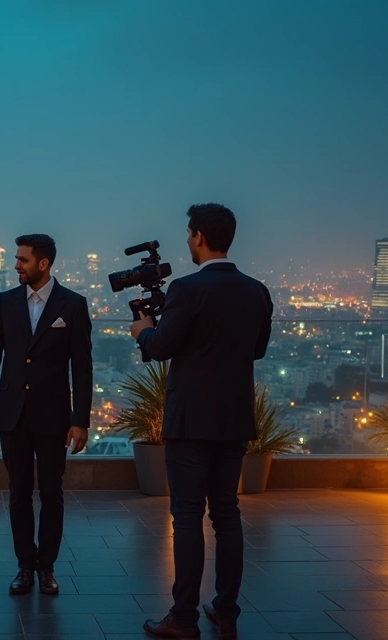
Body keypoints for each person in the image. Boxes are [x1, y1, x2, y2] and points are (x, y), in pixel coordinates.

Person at [130, 204, 273, 639]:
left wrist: (144, 331)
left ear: (197, 237)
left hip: (190, 419)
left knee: (188, 515)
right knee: (226, 513)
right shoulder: (257, 291)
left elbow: (162, 346)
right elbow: (258, 350)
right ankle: (225, 609)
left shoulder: (187, 289)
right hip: (233, 417)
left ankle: (183, 616)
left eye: (189, 234)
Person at [0, 233, 93, 596]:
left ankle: (47, 567)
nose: (16, 265)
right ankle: (25, 565)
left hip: (54, 416)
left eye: (21, 259)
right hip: (12, 414)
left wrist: (80, 419)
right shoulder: (6, 302)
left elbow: (83, 368)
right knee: (18, 492)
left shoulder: (74, 304)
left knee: (52, 493)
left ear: (43, 264)